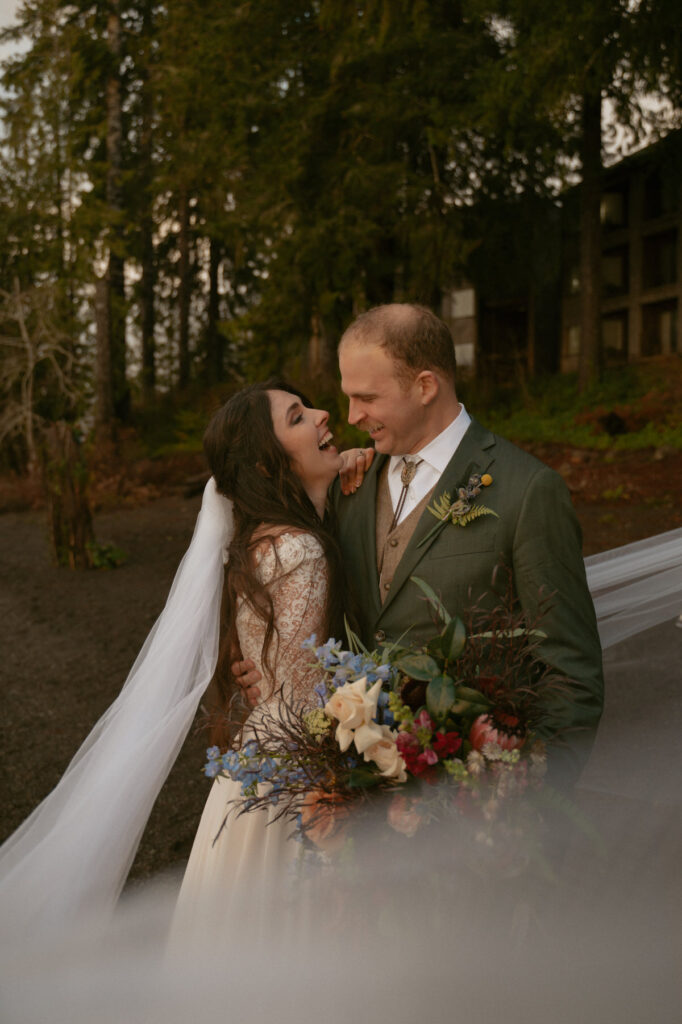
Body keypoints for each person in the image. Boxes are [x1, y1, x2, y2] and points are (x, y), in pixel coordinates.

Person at [0, 380, 365, 932]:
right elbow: (306, 703)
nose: (320, 414)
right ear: (268, 467)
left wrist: (358, 458)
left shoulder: (261, 539)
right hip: (297, 775)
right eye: (297, 417)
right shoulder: (301, 549)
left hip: (254, 765)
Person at [235, 304, 605, 785]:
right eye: (348, 396)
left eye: (367, 397)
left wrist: (526, 801)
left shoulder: (527, 491)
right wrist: (266, 664)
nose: (351, 415)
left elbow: (570, 673)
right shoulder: (348, 485)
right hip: (360, 793)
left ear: (426, 386)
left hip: (473, 795)